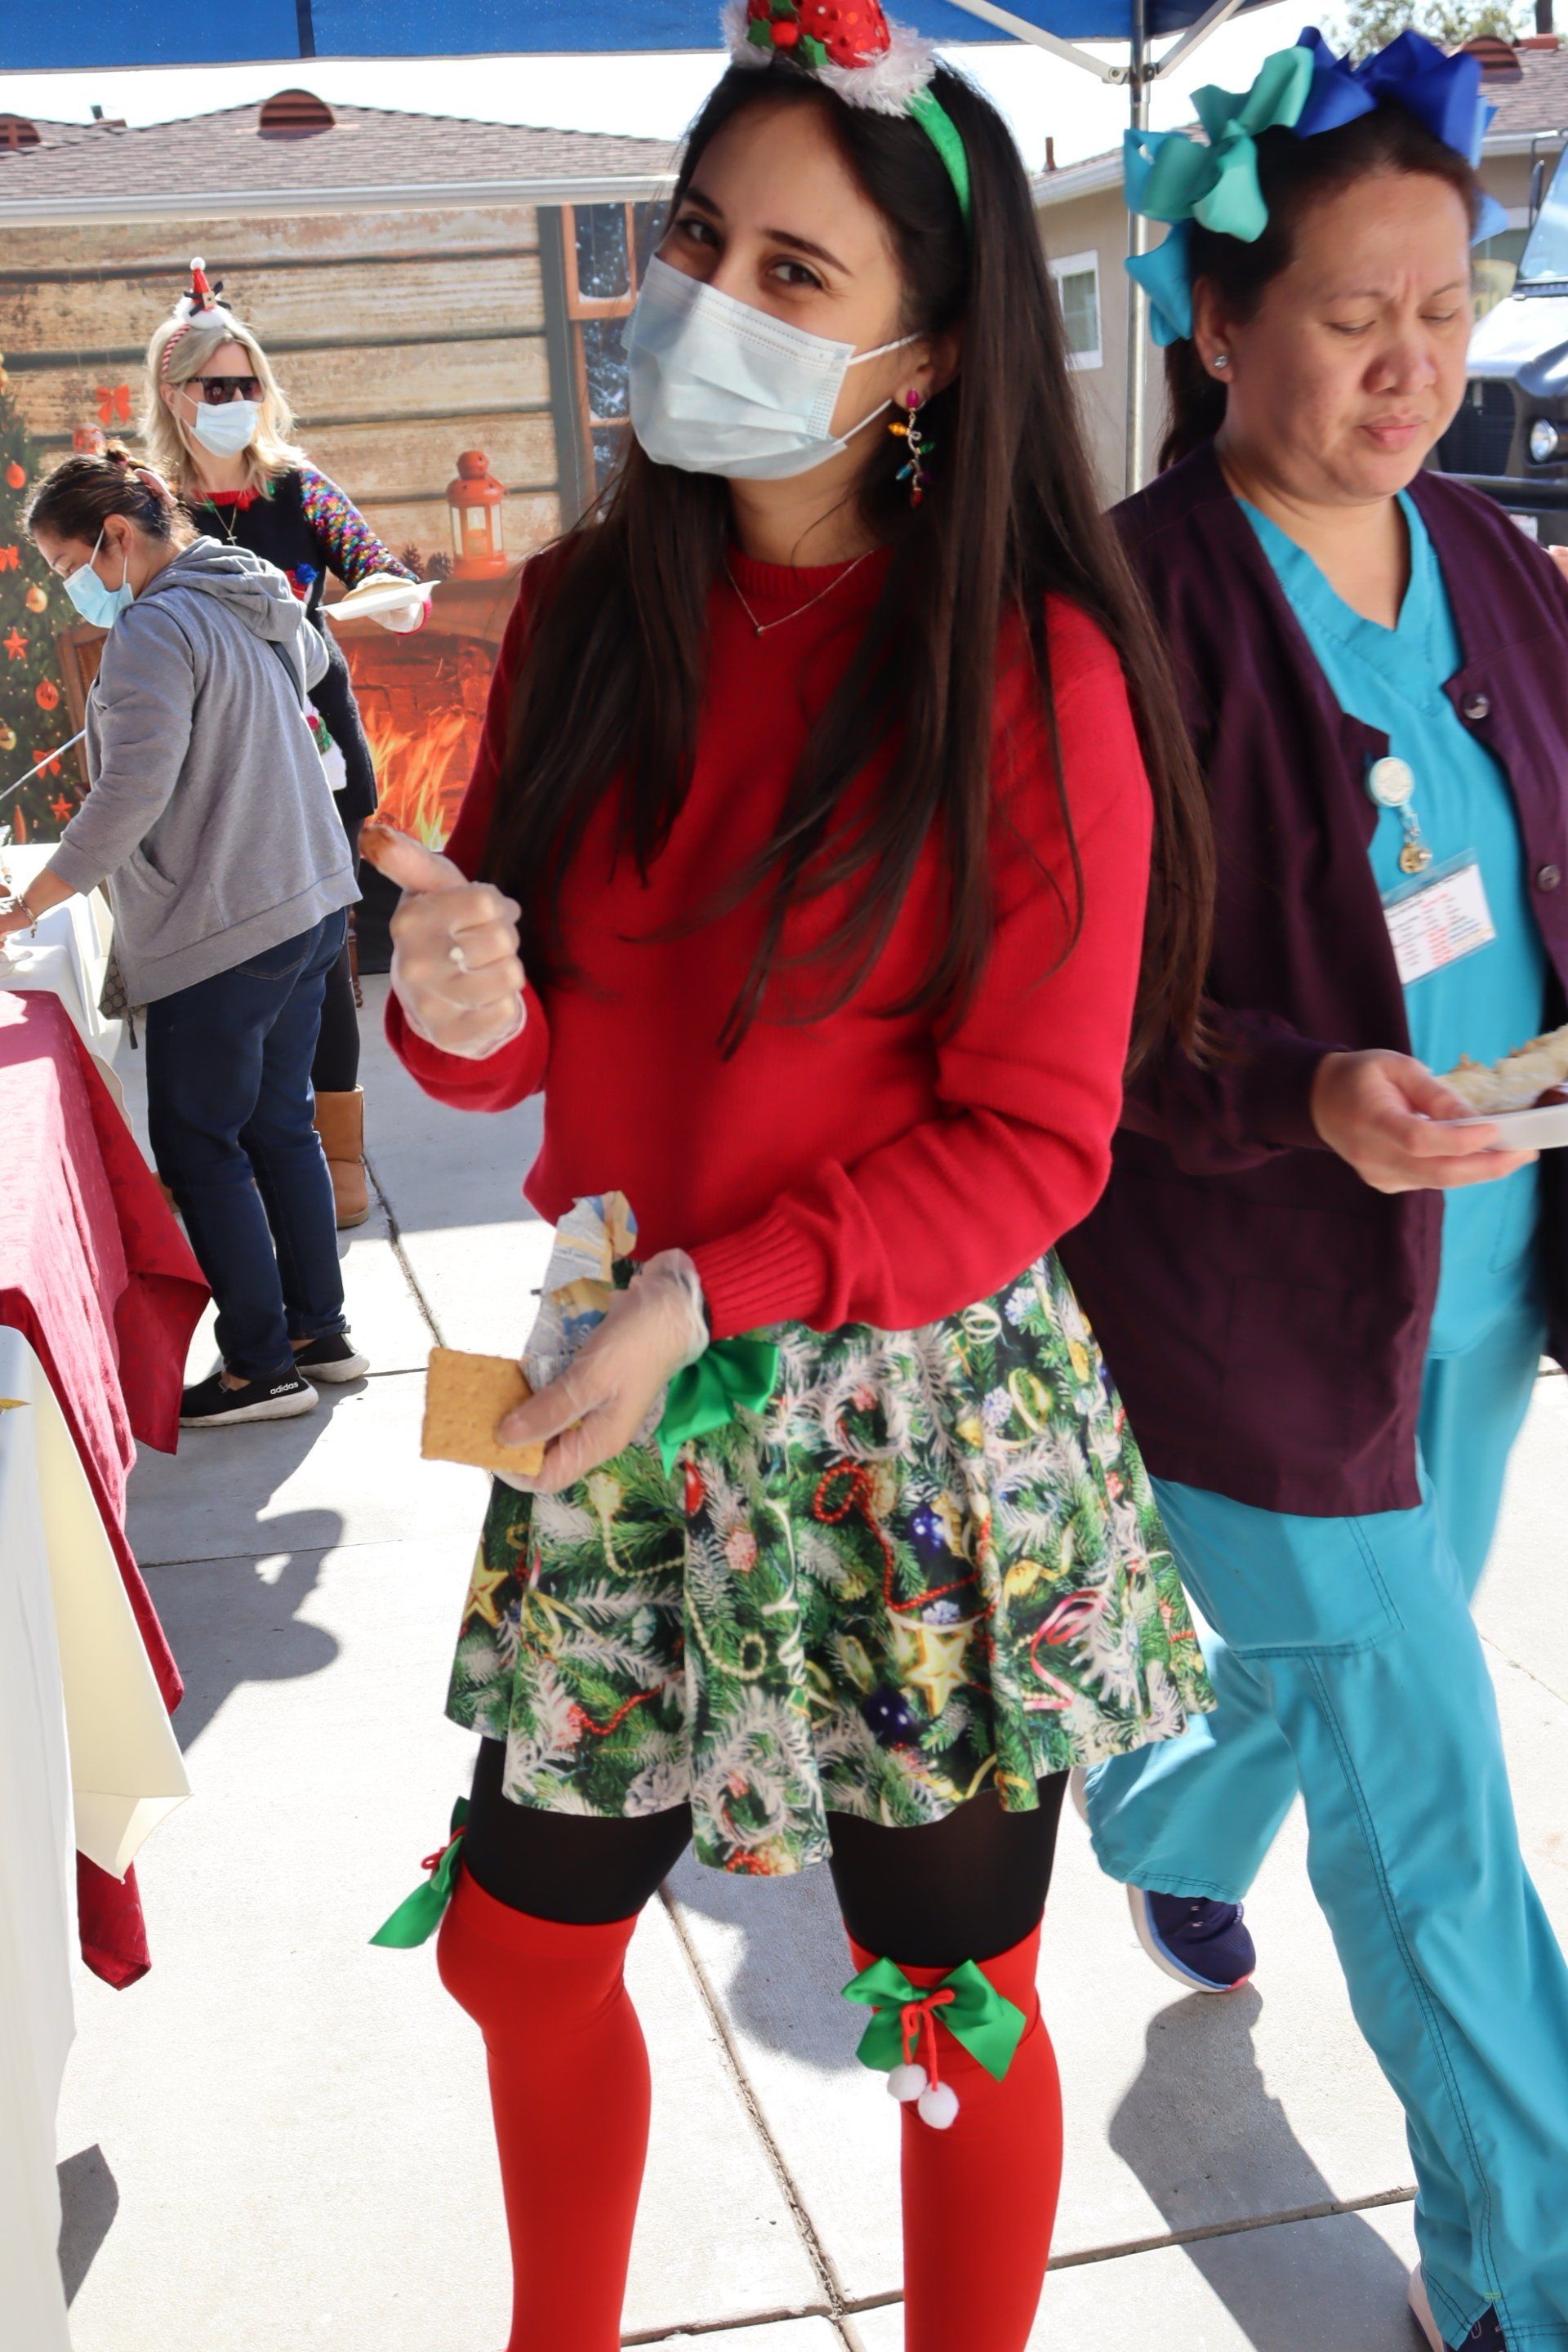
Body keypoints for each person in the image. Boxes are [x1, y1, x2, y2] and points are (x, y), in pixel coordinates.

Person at [367, 11, 1218, 2348]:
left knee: (946, 2014)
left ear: (929, 350)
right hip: (615, 1396)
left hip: (907, 1418)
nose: (707, 305)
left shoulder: (1021, 671)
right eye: (694, 241)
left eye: (795, 274)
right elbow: (533, 1016)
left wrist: (722, 1293)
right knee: (513, 1945)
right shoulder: (574, 616)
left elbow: (1038, 1143)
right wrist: (465, 1002)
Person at [1057, 32, 1568, 2352]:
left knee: (1353, 1692)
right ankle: (1523, 2286)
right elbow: (1076, 1003)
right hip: (1266, 1312)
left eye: (1448, 308)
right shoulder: (1123, 611)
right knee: (1436, 1815)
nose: (1411, 364)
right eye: (1356, 313)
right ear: (1219, 324)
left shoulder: (1486, 548)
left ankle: (1160, 1824)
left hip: (1475, 1282)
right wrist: (1308, 1088)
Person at [3, 447, 368, 1427]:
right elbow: (315, 665)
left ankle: (258, 1366)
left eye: (64, 565)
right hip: (305, 896)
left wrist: (29, 901)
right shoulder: (240, 593)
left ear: (115, 539)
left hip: (229, 921)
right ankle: (314, 1331)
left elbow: (130, 792)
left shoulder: (156, 630)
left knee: (201, 1142)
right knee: (277, 1121)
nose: (67, 589)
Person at [141, 261, 428, 1229]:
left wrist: (394, 600)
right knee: (224, 952)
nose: (232, 401)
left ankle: (335, 1166)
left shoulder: (298, 485)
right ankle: (237, 1162)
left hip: (313, 744)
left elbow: (374, 568)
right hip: (206, 756)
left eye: (246, 383)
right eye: (213, 386)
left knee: (321, 951)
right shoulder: (154, 504)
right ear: (173, 395)